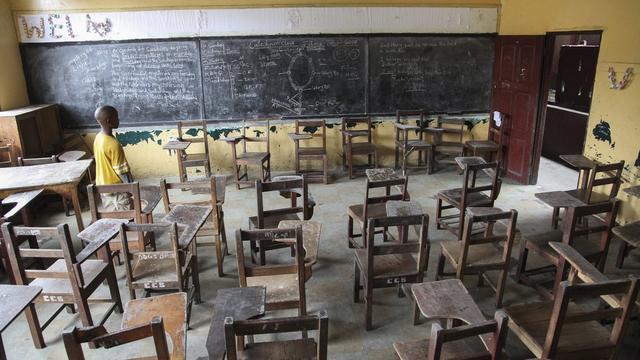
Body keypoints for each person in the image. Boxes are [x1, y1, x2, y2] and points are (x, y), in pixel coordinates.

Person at [93, 105, 133, 210]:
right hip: (117, 189)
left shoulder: (98, 138)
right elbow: (122, 171)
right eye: (116, 117)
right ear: (109, 121)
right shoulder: (113, 144)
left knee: (114, 218)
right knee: (128, 217)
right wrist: (131, 188)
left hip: (103, 187)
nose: (118, 119)